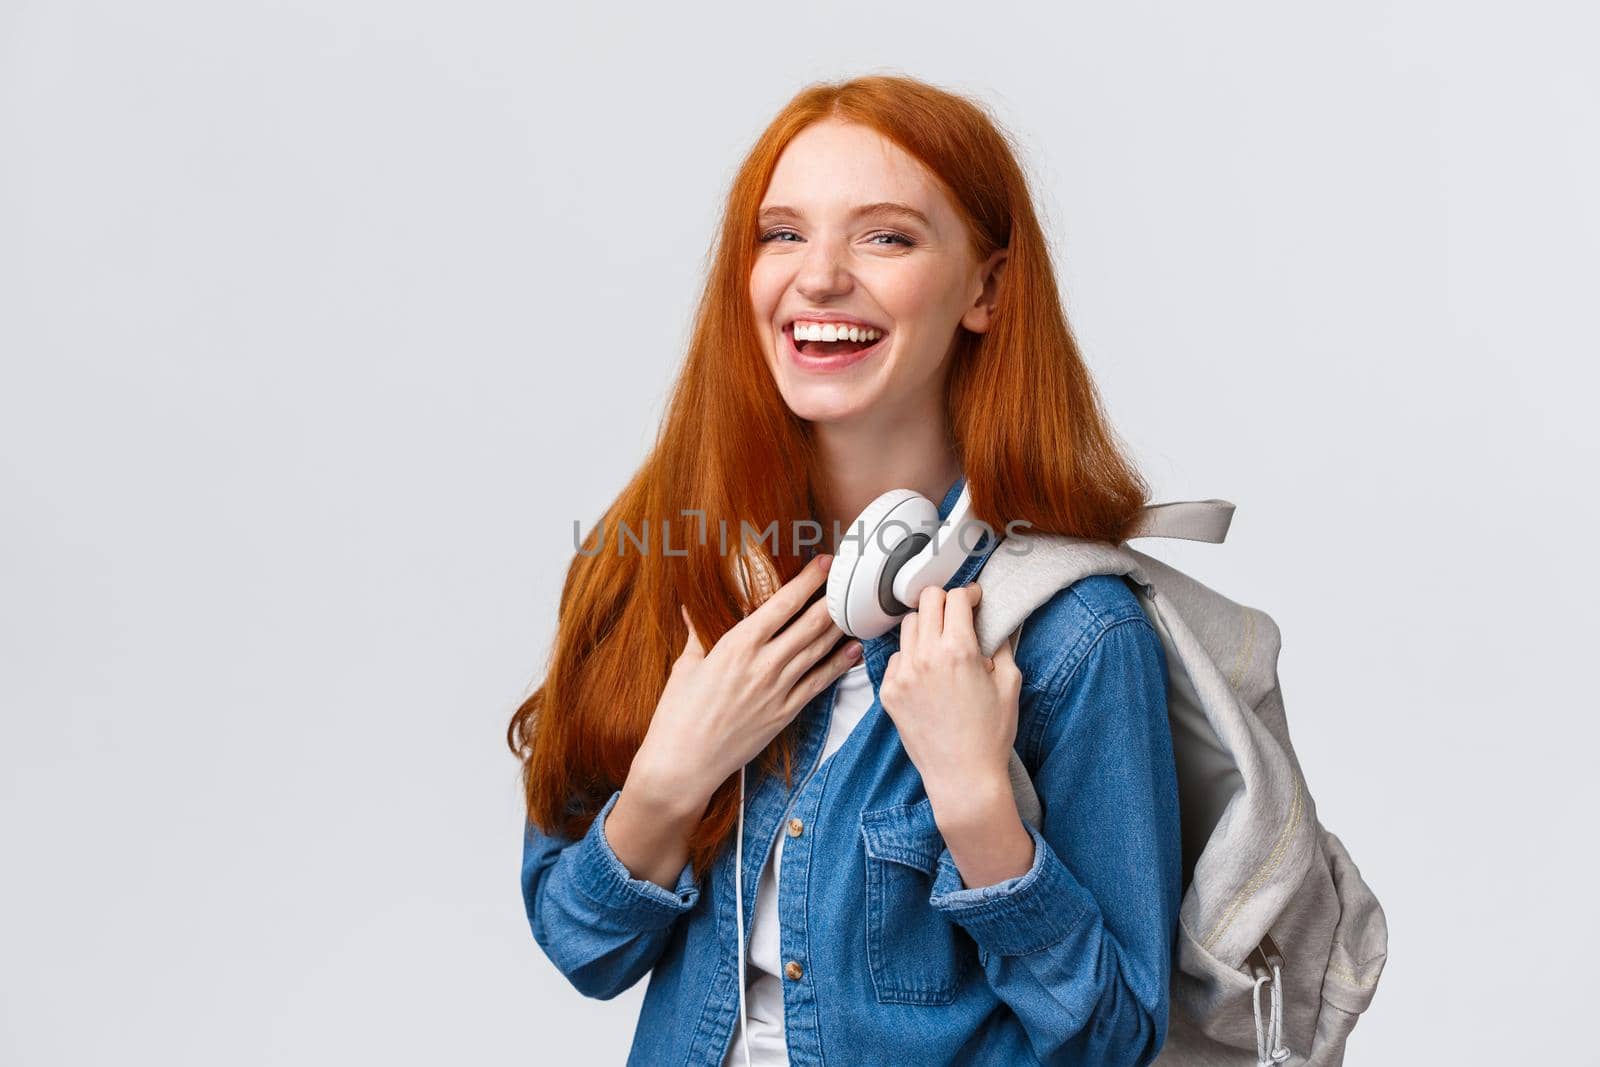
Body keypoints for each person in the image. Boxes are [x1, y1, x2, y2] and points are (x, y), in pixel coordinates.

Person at [508, 73, 1183, 1067]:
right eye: (782, 234)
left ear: (986, 290)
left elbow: (1112, 1039)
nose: (818, 278)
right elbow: (583, 944)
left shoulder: (1072, 630)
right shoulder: (657, 568)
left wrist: (975, 803)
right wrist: (671, 774)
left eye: (886, 236)